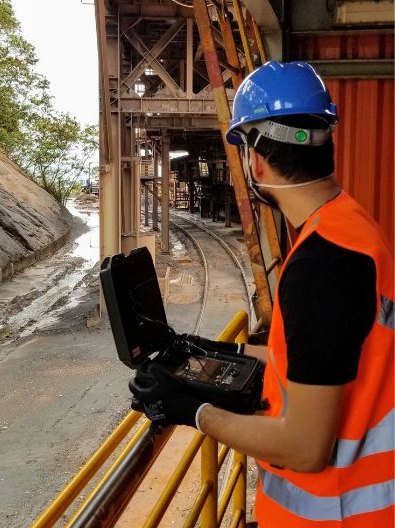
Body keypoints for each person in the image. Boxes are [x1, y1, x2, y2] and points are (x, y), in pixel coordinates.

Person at [129, 61, 393, 526]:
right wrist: (219, 351)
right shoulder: (350, 227)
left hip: (333, 514)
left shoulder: (320, 264)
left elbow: (305, 449)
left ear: (254, 160)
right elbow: (322, 355)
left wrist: (195, 411)